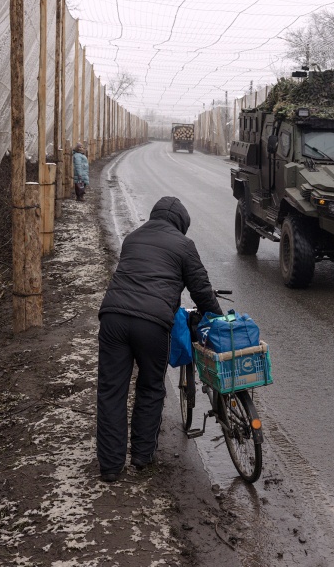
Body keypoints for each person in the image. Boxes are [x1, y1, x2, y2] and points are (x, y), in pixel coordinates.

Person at [96, 196, 223, 482]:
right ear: (181, 224)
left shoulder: (132, 238)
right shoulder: (184, 245)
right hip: (152, 325)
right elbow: (202, 291)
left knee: (111, 391)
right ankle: (142, 455)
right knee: (151, 387)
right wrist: (219, 320)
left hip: (113, 317)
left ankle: (110, 467)